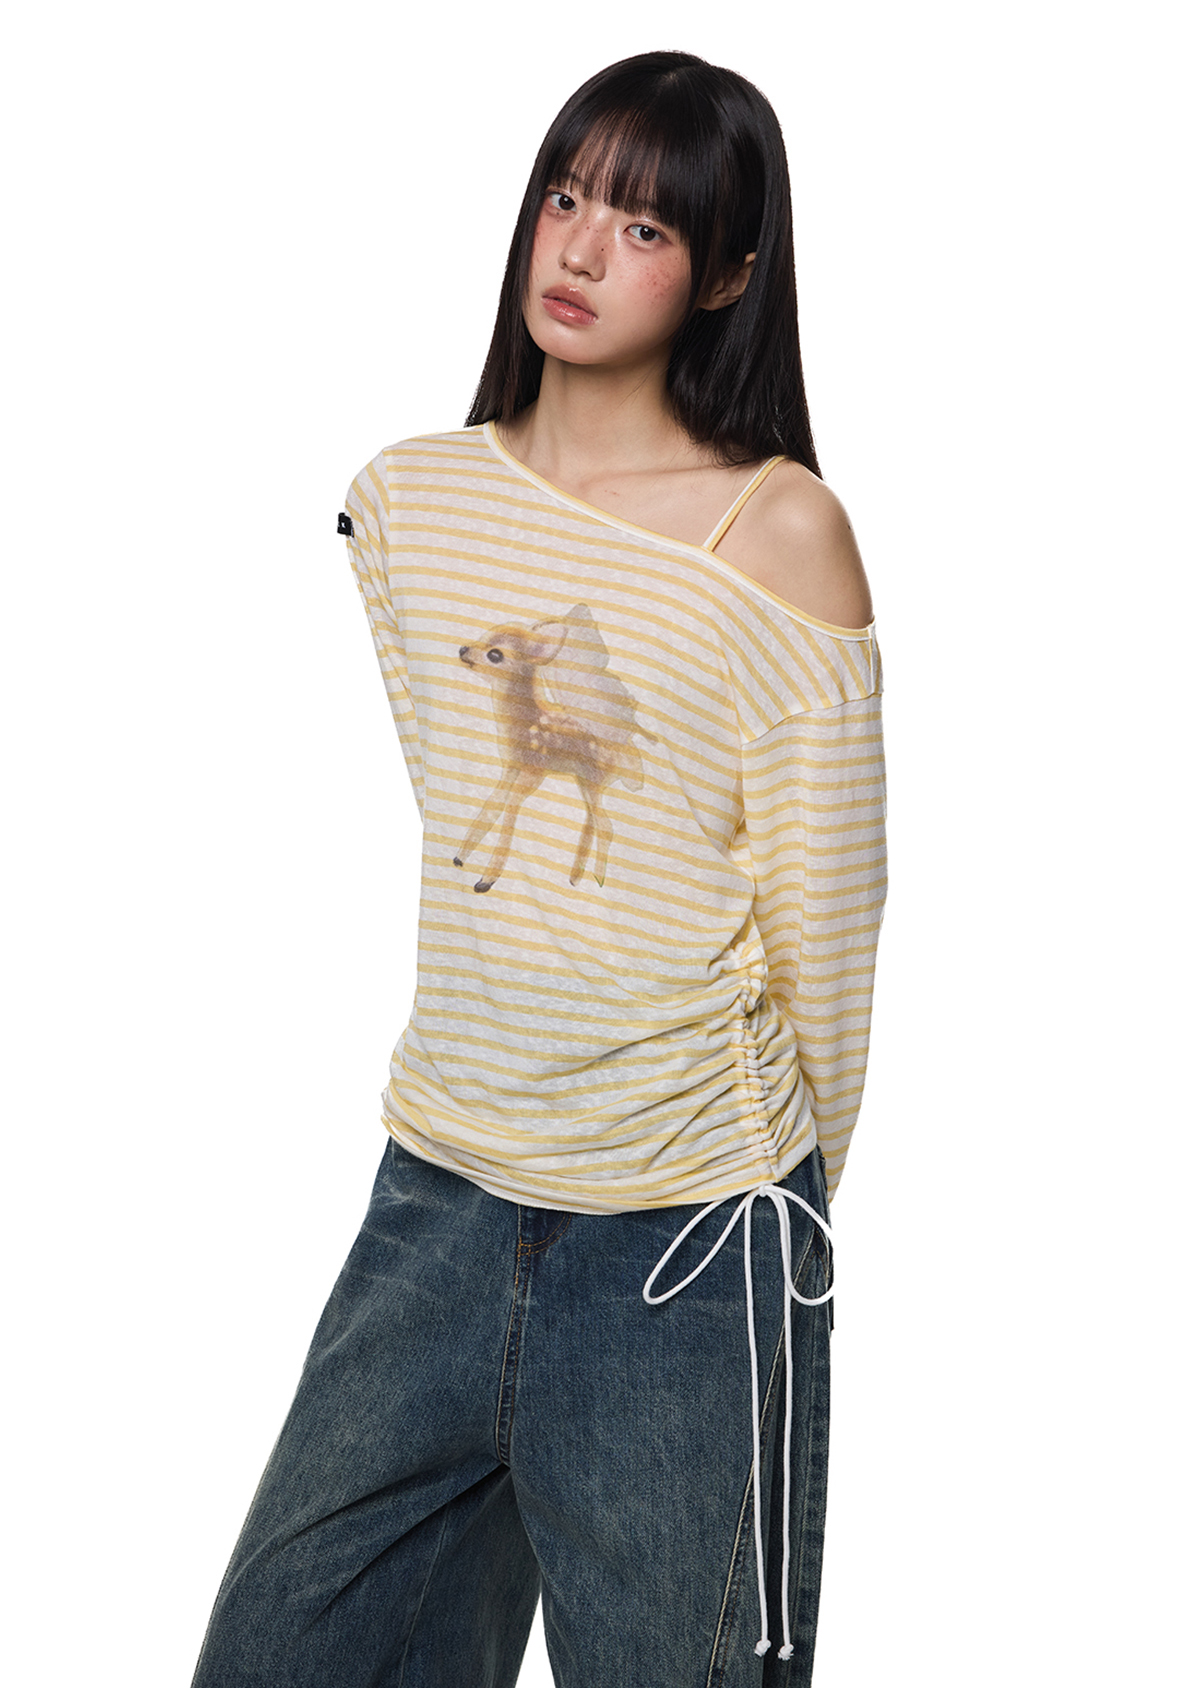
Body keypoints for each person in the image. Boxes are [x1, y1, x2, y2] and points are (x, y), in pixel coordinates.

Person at [191, 48, 887, 1688]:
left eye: (645, 227)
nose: (579, 249)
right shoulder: (411, 504)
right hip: (435, 1195)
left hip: (688, 1235)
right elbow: (473, 822)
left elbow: (828, 928)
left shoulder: (780, 532)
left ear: (726, 276)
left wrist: (774, 1229)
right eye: (565, 198)